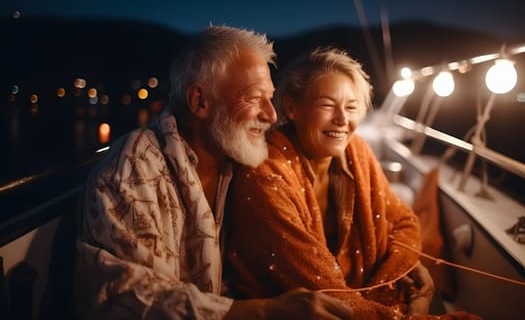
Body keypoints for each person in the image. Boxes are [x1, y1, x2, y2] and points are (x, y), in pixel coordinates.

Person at [74, 26, 354, 319]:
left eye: (270, 99)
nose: (271, 115)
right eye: (255, 98)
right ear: (200, 102)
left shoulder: (239, 164)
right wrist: (265, 312)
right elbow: (127, 298)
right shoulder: (132, 172)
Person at [226, 47, 481, 320]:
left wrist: (400, 271)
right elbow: (323, 293)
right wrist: (410, 311)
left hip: (369, 300)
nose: (342, 120)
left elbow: (405, 221)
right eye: (326, 105)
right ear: (291, 108)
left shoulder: (356, 150)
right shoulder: (266, 174)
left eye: (351, 107)